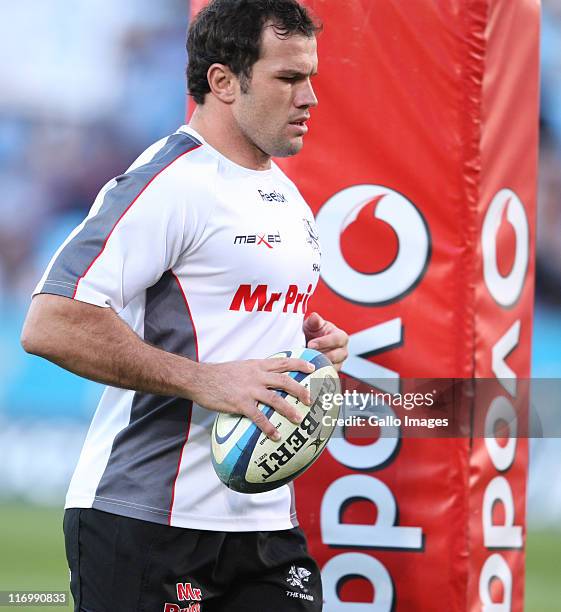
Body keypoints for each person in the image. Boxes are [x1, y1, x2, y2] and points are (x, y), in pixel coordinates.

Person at [21, 0, 348, 610]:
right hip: (146, 521)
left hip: (264, 522)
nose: (310, 98)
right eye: (288, 78)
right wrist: (208, 381)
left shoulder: (286, 196)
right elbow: (51, 322)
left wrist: (311, 347)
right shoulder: (168, 182)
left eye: (311, 78)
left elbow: (234, 329)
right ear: (223, 81)